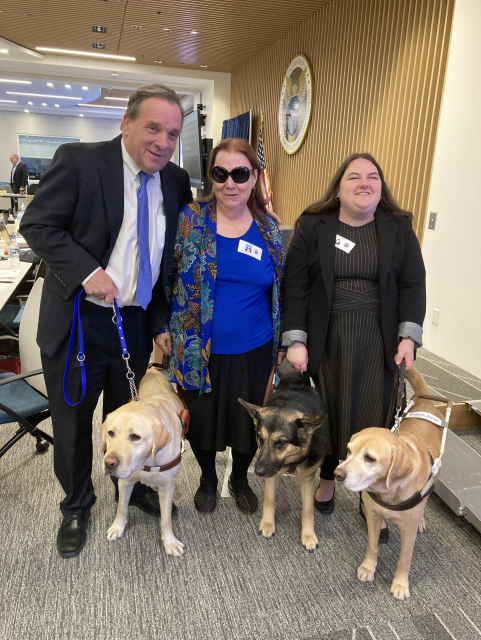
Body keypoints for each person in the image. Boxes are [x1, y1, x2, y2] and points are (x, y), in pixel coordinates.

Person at [20, 83, 193, 558]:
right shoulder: (80, 161)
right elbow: (36, 226)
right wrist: (87, 271)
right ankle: (76, 503)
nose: (162, 141)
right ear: (126, 123)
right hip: (80, 319)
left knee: (130, 418)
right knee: (75, 423)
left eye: (173, 133)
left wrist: (160, 321)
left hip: (133, 325)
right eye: (153, 127)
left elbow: (162, 266)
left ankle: (134, 486)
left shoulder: (175, 182)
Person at [282, 153, 426, 542]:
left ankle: (369, 497)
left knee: (372, 412)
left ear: (381, 187)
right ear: (339, 187)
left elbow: (413, 284)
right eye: (354, 177)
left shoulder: (398, 226)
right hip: (327, 335)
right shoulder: (314, 226)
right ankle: (327, 478)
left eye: (372, 177)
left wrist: (409, 336)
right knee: (328, 411)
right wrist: (295, 339)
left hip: (379, 338)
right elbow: (295, 285)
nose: (364, 183)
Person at [156, 138, 285, 515]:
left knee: (249, 422)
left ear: (254, 177)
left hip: (256, 347)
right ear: (211, 176)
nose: (231, 183)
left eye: (240, 173)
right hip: (197, 344)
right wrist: (161, 325)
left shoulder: (268, 229)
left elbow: (282, 287)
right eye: (220, 173)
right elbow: (168, 274)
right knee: (202, 421)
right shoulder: (190, 219)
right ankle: (208, 478)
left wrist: (283, 342)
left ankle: (240, 477)